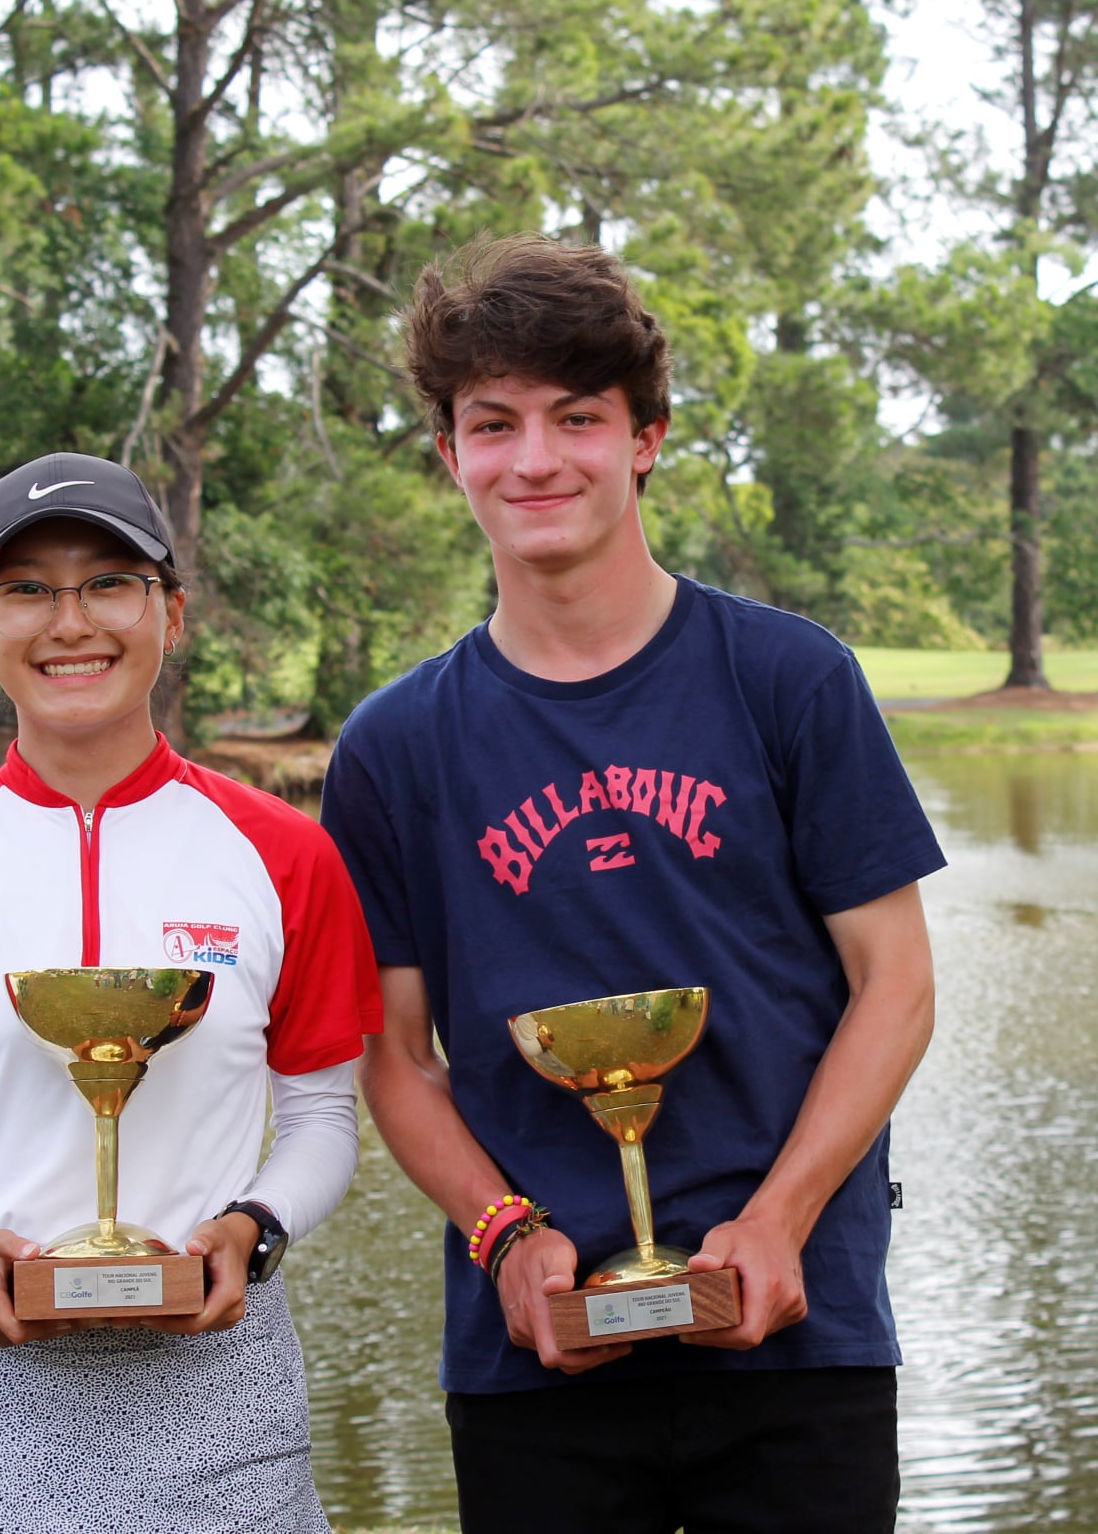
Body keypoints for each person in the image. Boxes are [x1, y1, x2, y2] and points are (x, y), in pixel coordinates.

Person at [318, 235, 946, 1534]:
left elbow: (898, 987)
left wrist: (778, 1223)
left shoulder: (790, 681)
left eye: (577, 417)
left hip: (794, 1327)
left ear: (646, 437)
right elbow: (387, 1053)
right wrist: (503, 1236)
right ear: (451, 455)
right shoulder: (393, 747)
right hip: (532, 1350)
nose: (535, 459)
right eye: (493, 424)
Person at [0, 451, 381, 1534]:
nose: (72, 621)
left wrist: (254, 1224)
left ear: (171, 613)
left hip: (217, 1396)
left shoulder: (284, 855)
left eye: (110, 581)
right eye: (28, 589)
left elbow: (324, 1116)